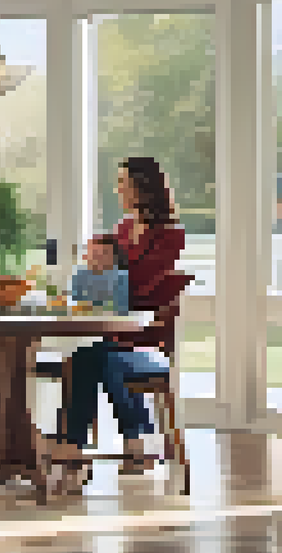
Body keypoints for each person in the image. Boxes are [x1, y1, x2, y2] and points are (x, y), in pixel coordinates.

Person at [54, 157, 195, 486]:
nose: (118, 190)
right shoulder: (120, 229)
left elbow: (140, 284)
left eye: (123, 182)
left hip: (146, 332)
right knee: (88, 355)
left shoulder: (170, 235)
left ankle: (79, 446)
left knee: (97, 357)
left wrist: (105, 278)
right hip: (114, 329)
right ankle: (116, 442)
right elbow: (107, 281)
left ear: (143, 187)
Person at [70, 234, 130, 315]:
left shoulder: (121, 277)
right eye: (94, 253)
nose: (98, 258)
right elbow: (74, 303)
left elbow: (121, 308)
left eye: (104, 253)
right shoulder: (80, 275)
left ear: (113, 257)